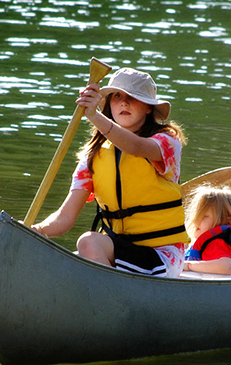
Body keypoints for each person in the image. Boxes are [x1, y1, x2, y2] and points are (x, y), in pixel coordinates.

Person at [31, 67, 188, 277]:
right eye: (117, 96)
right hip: (119, 251)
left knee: (88, 241)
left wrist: (94, 116)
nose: (124, 102)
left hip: (161, 256)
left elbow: (136, 148)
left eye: (132, 97)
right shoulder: (92, 156)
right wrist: (35, 231)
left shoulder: (167, 142)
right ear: (109, 104)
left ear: (149, 108)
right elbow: (65, 217)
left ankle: (108, 300)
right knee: (78, 253)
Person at [183, 185, 231, 276]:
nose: (196, 221)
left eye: (204, 216)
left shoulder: (216, 243)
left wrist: (189, 266)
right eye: (196, 215)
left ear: (227, 219)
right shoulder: (208, 243)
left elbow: (228, 268)